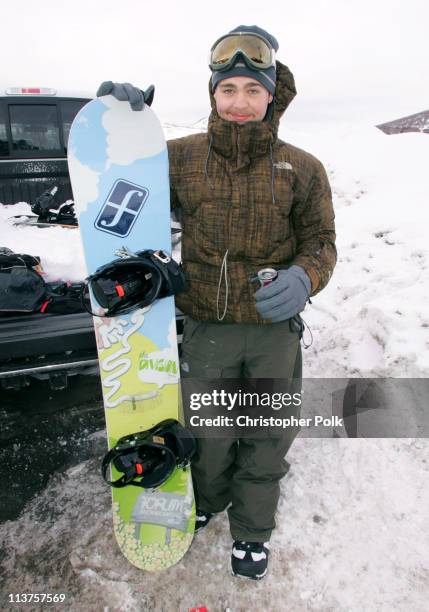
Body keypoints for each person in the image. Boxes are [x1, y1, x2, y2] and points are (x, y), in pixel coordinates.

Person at [97, 24, 336, 580]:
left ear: (271, 94)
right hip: (205, 328)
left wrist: (306, 277)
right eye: (228, 89)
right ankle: (206, 500)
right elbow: (118, 193)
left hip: (274, 334)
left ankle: (252, 531)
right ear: (212, 94)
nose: (239, 102)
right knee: (209, 434)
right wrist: (119, 126)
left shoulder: (302, 168)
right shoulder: (178, 158)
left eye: (252, 90)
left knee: (265, 437)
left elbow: (321, 241)